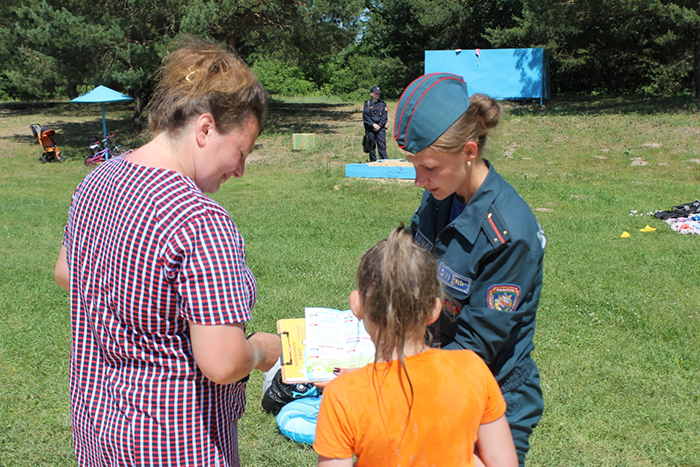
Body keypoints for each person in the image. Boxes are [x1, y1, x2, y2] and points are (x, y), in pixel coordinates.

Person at [53, 39, 281, 467]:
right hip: (175, 442)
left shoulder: (98, 180)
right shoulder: (200, 220)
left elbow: (67, 272)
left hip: (97, 426)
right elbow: (222, 362)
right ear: (205, 129)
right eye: (240, 153)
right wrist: (261, 351)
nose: (240, 170)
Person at [393, 73, 546, 467]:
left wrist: (399, 378)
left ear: (469, 151)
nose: (419, 180)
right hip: (434, 368)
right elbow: (412, 271)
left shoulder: (509, 234)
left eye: (428, 167)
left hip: (491, 394)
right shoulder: (440, 196)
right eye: (414, 166)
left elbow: (476, 347)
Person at [313, 227, 517, 467]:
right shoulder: (473, 369)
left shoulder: (342, 395)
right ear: (435, 309)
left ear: (356, 304)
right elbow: (504, 462)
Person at [362, 85, 388, 161]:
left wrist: (379, 125)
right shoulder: (368, 104)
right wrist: (373, 124)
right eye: (376, 93)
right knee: (371, 147)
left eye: (378, 93)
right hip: (371, 128)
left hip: (380, 128)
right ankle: (373, 163)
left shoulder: (383, 104)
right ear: (371, 94)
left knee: (382, 146)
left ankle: (384, 162)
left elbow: (384, 117)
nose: (377, 95)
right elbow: (365, 116)